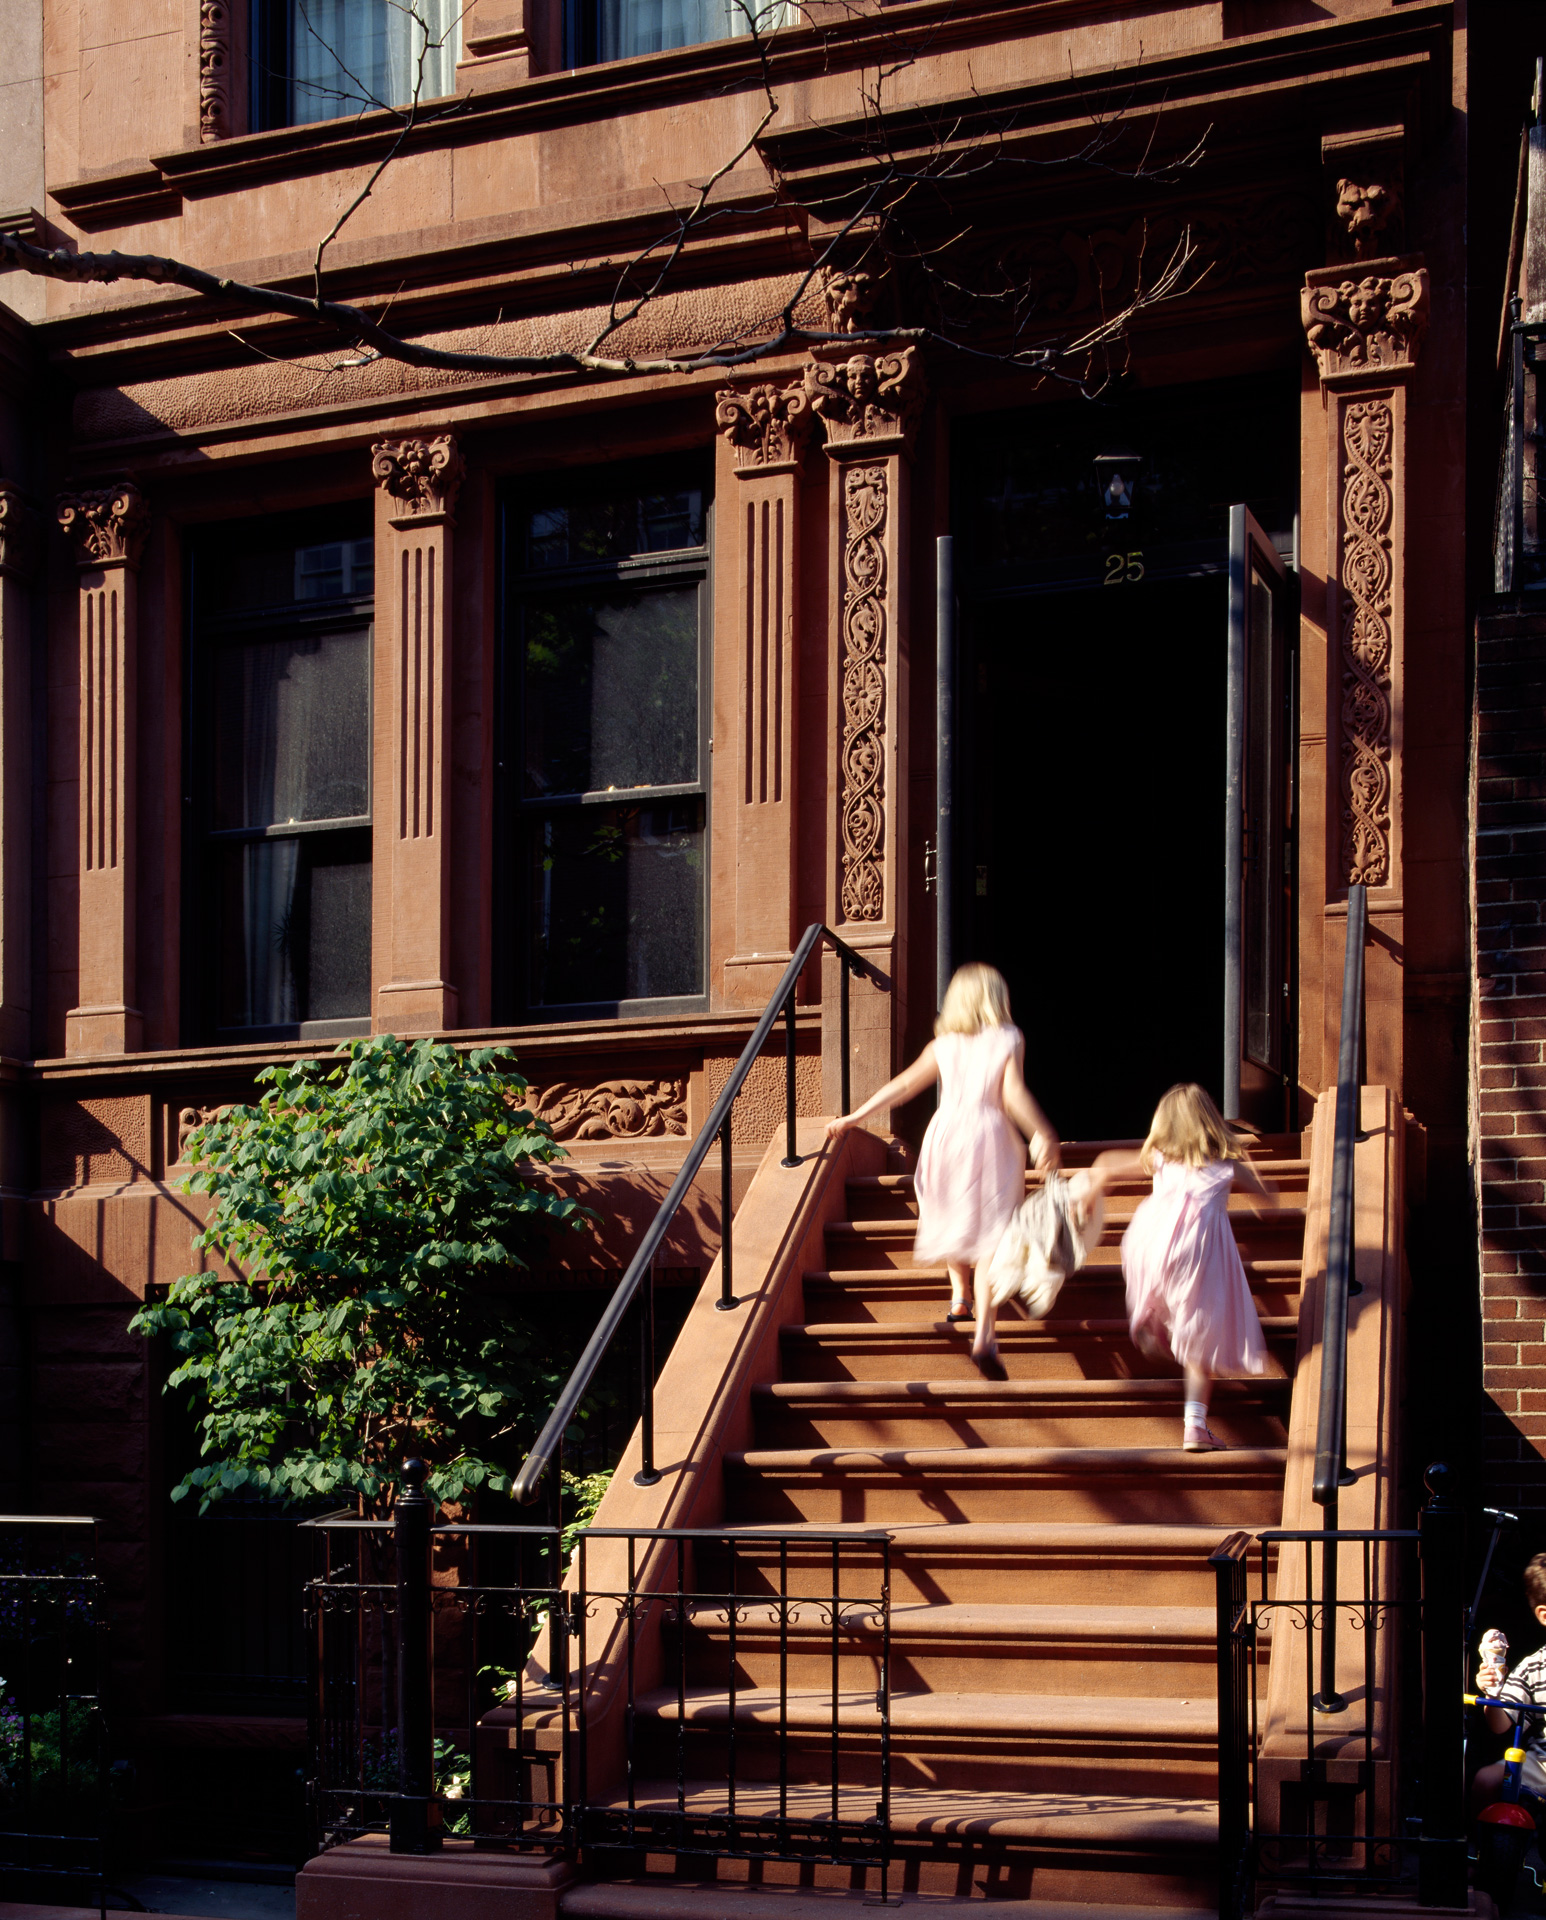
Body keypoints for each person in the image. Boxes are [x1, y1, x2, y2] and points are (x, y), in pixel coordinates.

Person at [825, 962, 1059, 1380]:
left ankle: (958, 1298)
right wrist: (1041, 1132)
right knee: (992, 1233)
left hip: (946, 1134)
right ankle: (985, 1332)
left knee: (954, 1213)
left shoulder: (943, 1045)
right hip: (991, 1133)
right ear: (995, 998)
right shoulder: (1007, 1038)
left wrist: (855, 1116)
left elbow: (903, 1085)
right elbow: (1012, 1092)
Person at [1085, 1083, 1274, 1452]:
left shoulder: (1161, 1158)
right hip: (1201, 1251)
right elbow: (1270, 1195)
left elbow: (1106, 1164)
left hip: (1153, 1238)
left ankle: (1149, 1313)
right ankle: (1195, 1426)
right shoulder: (1225, 1163)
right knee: (1200, 1341)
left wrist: (1090, 1193)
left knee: (1159, 1280)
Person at [1474, 1559, 1546, 1815]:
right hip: (1543, 1765)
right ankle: (1484, 1851)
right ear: (1544, 1615)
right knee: (1487, 1779)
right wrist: (1491, 1694)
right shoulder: (1533, 1667)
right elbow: (1500, 1725)